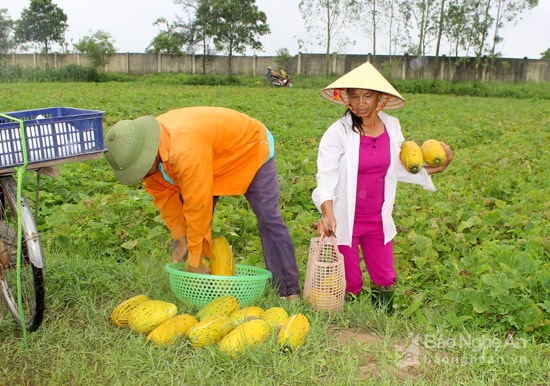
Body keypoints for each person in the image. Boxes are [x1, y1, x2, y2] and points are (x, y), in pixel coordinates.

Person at [104, 106, 301, 300]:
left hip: (249, 146)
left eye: (141, 168)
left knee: (268, 218)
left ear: (149, 153)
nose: (142, 173)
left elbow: (198, 205)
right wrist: (181, 238)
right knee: (185, 227)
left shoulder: (184, 150)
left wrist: (195, 255)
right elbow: (167, 201)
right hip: (209, 155)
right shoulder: (147, 151)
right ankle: (193, 289)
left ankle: (288, 290)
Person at [312, 62, 453, 313]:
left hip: (378, 218)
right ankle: (350, 326)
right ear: (346, 99)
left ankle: (382, 321)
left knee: (385, 278)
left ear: (381, 98)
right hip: (346, 218)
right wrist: (328, 212)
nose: (361, 103)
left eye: (368, 96)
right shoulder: (338, 132)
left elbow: (398, 168)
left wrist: (435, 168)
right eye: (354, 96)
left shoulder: (392, 126)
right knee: (351, 283)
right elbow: (326, 175)